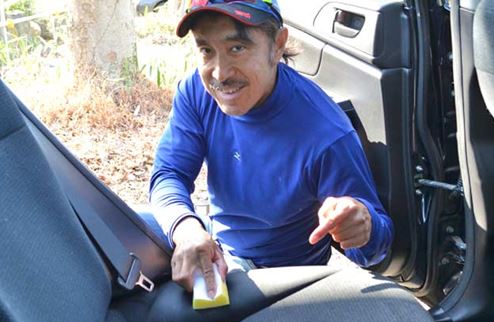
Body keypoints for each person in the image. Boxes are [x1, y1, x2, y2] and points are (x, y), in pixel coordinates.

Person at [148, 0, 393, 297]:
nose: (220, 74)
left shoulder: (326, 134)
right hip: (212, 235)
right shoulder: (197, 92)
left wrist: (362, 227)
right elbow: (169, 173)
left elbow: (374, 249)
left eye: (237, 48)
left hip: (277, 281)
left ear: (278, 45)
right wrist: (186, 229)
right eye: (206, 50)